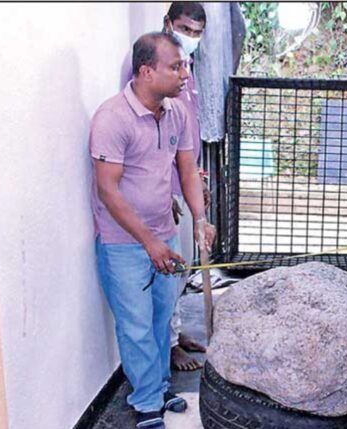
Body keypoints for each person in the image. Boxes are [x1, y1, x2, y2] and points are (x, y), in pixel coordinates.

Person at [91, 32, 215, 429]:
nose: (185, 73)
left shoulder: (176, 111)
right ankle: (146, 405)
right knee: (136, 324)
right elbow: (106, 189)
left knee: (162, 319)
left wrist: (199, 220)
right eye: (176, 66)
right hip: (124, 243)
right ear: (146, 72)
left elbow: (187, 170)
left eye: (185, 65)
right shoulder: (112, 118)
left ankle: (160, 389)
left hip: (164, 234)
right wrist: (148, 243)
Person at [120, 2, 210, 372]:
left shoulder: (186, 70)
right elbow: (148, 139)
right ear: (168, 23)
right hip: (159, 191)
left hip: (184, 179)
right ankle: (169, 345)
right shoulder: (147, 72)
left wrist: (195, 187)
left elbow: (185, 139)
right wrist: (167, 192)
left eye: (197, 32)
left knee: (180, 266)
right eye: (185, 29)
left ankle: (175, 331)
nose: (190, 39)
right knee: (164, 272)